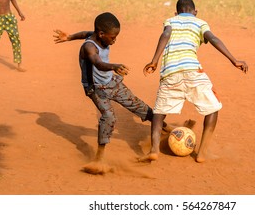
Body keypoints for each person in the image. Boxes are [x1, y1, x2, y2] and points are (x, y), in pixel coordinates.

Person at [53, 12, 173, 175]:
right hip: (95, 89)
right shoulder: (89, 47)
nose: (115, 40)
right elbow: (98, 63)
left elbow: (84, 33)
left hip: (112, 82)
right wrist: (114, 66)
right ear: (101, 34)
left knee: (139, 106)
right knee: (108, 117)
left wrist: (69, 37)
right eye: (113, 37)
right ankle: (99, 158)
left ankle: (165, 128)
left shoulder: (95, 35)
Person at [139, 0, 248, 163]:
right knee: (212, 109)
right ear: (195, 12)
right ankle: (202, 152)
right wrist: (234, 60)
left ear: (176, 13)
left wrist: (154, 60)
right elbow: (213, 39)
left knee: (159, 113)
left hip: (170, 73)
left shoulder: (171, 20)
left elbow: (166, 34)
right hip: (193, 71)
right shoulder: (200, 22)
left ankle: (154, 150)